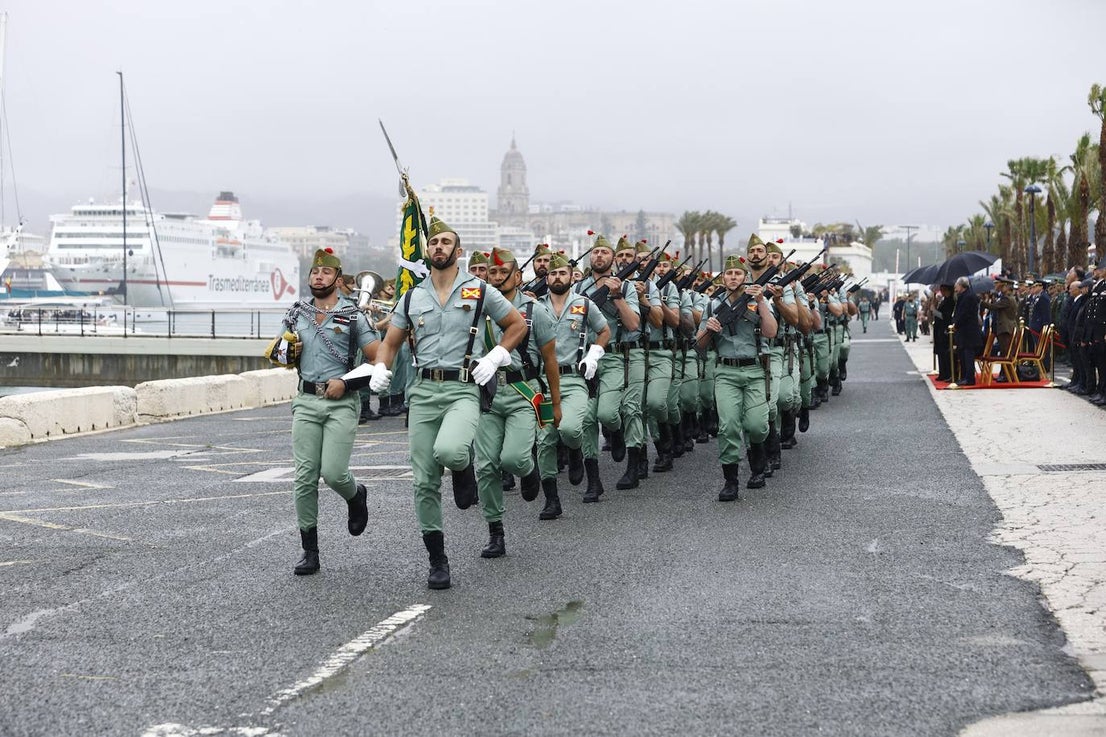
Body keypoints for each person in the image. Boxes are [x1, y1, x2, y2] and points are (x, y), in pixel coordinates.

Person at [366, 216, 526, 590]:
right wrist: (379, 368)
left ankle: (463, 465)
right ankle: (438, 560)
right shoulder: (412, 296)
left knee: (452, 451)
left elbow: (517, 324)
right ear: (428, 250)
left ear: (459, 251)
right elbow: (390, 341)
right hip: (422, 393)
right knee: (423, 482)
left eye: (445, 242)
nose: (438, 247)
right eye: (433, 242)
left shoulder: (480, 290)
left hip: (462, 388)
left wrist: (496, 357)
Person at [281, 248, 380, 576]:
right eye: (314, 273)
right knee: (304, 477)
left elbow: (378, 359)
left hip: (341, 402)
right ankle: (310, 550)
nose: (318, 277)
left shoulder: (354, 316)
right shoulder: (297, 313)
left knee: (334, 473)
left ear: (338, 280)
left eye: (325, 273)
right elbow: (284, 352)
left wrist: (348, 384)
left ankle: (356, 495)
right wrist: (284, 353)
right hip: (306, 401)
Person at [474, 247, 561, 553]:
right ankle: (495, 531)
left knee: (514, 458)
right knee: (485, 467)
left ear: (518, 276)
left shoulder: (534, 311)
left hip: (522, 391)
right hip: (486, 393)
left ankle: (529, 470)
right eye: (492, 272)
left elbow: (550, 359)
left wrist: (557, 403)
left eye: (503, 272)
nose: (497, 278)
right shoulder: (475, 309)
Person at [696, 254, 778, 500]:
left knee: (756, 425)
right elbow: (699, 345)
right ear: (722, 278)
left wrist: (761, 301)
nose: (733, 277)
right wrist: (709, 330)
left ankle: (757, 467)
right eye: (728, 273)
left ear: (745, 277)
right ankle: (730, 481)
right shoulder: (712, 305)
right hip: (726, 371)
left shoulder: (756, 302)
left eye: (738, 273)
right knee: (728, 426)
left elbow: (771, 332)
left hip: (754, 370)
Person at [537, 252, 611, 507]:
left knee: (571, 428)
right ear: (547, 278)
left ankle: (577, 454)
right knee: (545, 438)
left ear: (571, 276)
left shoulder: (584, 304)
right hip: (544, 381)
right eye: (553, 273)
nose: (558, 277)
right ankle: (552, 499)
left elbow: (604, 330)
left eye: (562, 273)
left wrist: (594, 355)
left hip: (573, 378)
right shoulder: (536, 306)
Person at [951, 276, 983, 386]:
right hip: (964, 331)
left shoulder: (968, 297)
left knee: (968, 356)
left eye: (957, 285)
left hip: (968, 331)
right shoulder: (963, 296)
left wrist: (956, 324)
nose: (955, 287)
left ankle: (969, 378)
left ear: (962, 286)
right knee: (963, 355)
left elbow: (964, 314)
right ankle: (964, 376)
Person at [931, 284, 955, 381]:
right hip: (939, 329)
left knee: (944, 353)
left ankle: (946, 373)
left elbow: (946, 316)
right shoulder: (944, 301)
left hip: (944, 329)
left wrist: (935, 311)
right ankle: (942, 372)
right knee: (940, 353)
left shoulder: (950, 302)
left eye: (943, 290)